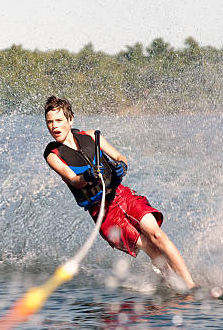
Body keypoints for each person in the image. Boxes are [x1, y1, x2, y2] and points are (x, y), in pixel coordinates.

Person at [43, 95, 196, 291]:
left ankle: (191, 286)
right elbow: (73, 179)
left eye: (58, 121)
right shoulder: (52, 155)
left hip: (121, 195)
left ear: (70, 120)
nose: (54, 126)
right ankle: (173, 284)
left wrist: (121, 165)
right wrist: (87, 176)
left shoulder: (91, 136)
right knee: (148, 245)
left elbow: (119, 156)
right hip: (104, 213)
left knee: (156, 235)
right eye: (49, 122)